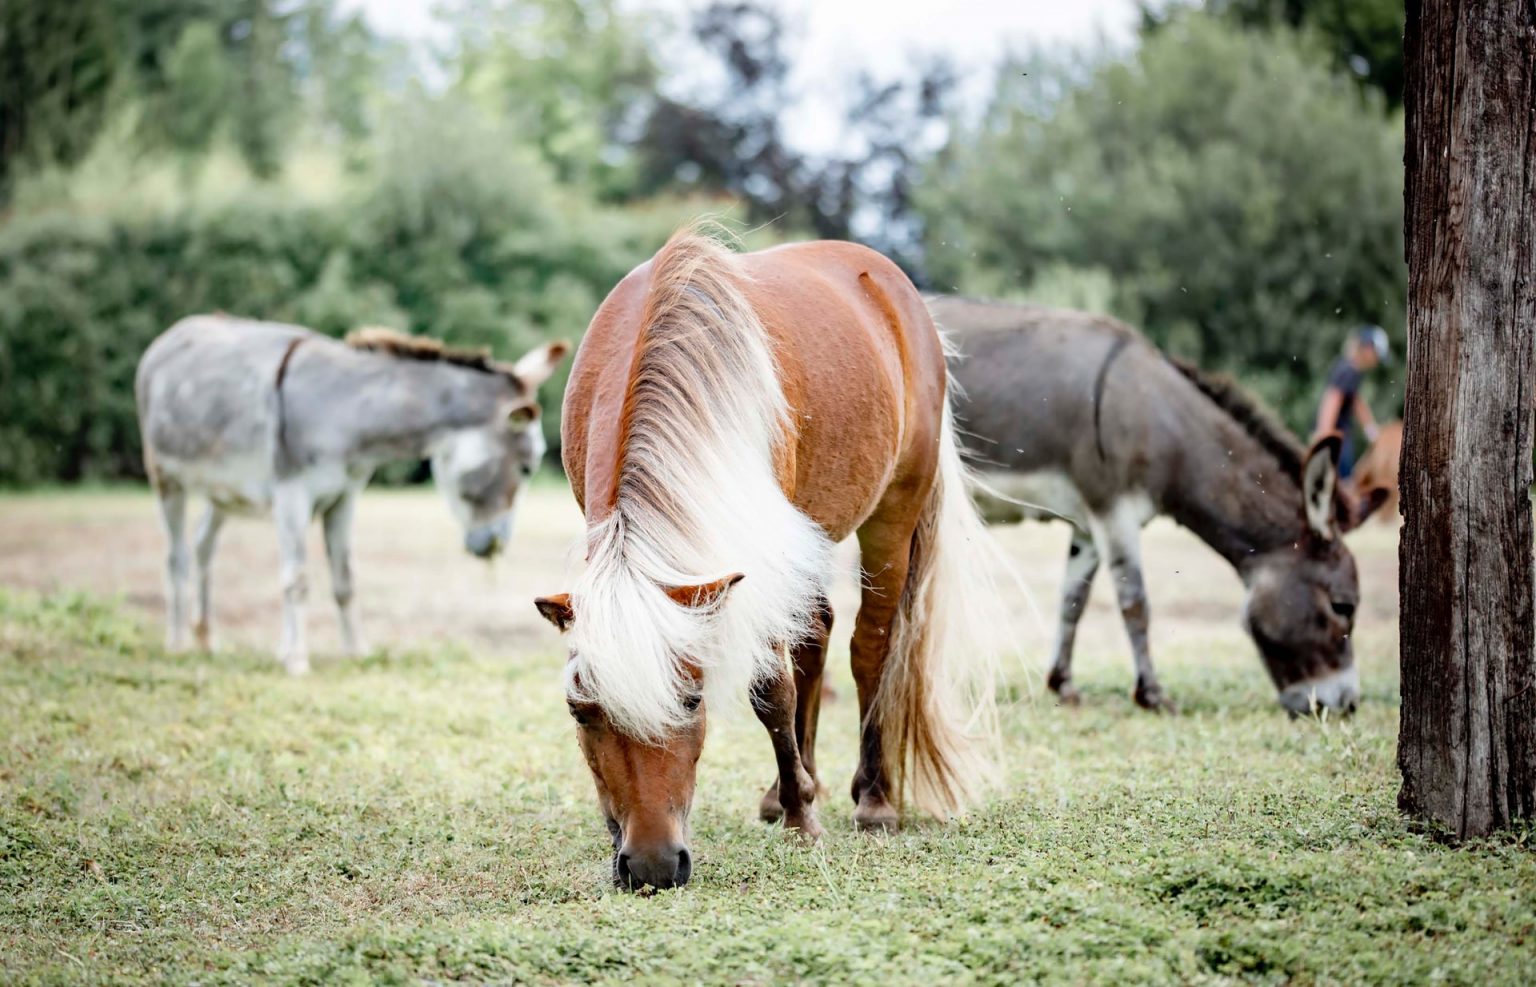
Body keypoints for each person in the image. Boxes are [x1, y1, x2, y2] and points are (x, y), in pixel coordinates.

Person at [1312, 325, 1391, 478]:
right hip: (1336, 439)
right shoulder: (1349, 371)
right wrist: (1324, 437)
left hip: (1339, 439)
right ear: (1367, 348)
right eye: (1376, 355)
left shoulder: (1352, 370)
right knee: (1343, 484)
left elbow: (1356, 401)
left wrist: (1371, 429)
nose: (1376, 362)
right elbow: (1332, 399)